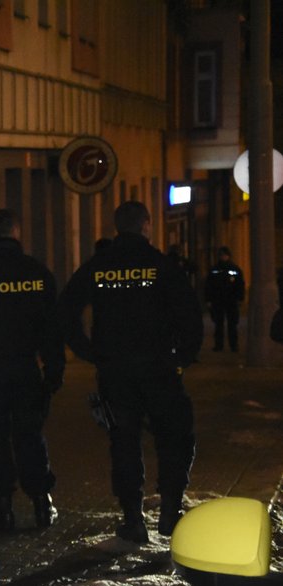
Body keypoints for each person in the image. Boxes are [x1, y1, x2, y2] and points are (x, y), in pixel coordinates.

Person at [58, 201, 202, 543]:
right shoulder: (161, 265)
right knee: (174, 437)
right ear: (147, 225)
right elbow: (189, 314)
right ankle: (169, 512)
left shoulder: (99, 265)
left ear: (117, 227)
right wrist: (183, 356)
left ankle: (133, 518)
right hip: (160, 371)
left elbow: (66, 311)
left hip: (115, 372)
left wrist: (89, 352)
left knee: (123, 442)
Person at [0, 209, 64, 532]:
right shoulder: (37, 272)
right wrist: (54, 370)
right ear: (16, 231)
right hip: (25, 369)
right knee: (29, 435)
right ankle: (41, 502)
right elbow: (51, 329)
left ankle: (2, 507)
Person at [204, 246, 245, 352]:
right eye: (221, 255)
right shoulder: (215, 270)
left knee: (232, 324)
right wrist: (208, 299)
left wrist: (240, 298)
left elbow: (240, 284)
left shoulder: (234, 269)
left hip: (231, 300)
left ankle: (233, 345)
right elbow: (209, 285)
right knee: (219, 324)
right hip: (218, 300)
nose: (223, 257)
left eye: (224, 255)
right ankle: (219, 345)